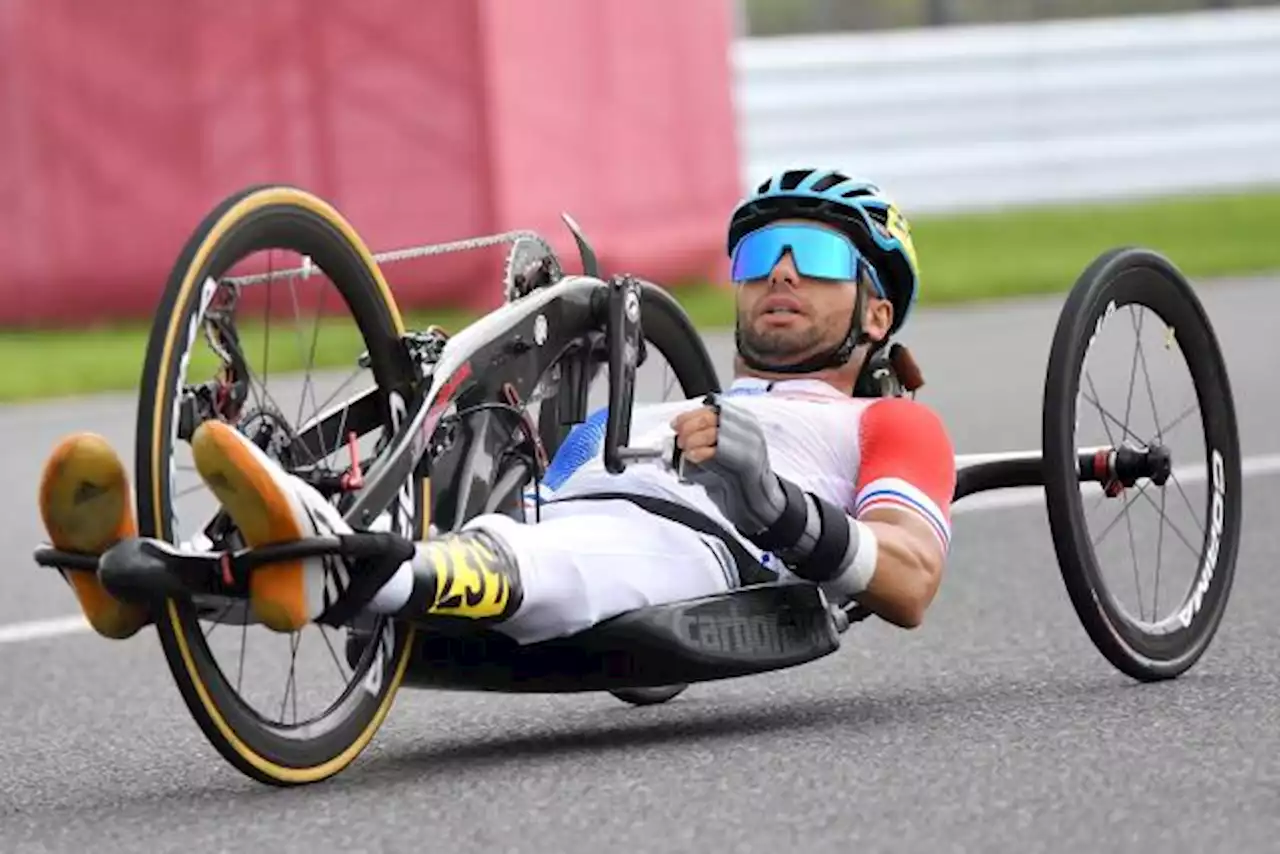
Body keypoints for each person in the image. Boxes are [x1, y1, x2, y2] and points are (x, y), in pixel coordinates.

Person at [36, 168, 957, 645]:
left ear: (877, 312)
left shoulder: (887, 424)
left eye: (818, 257)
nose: (782, 273)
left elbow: (910, 579)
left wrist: (772, 501)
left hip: (688, 549)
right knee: (431, 500)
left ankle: (320, 555)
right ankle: (145, 575)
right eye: (760, 258)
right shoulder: (688, 404)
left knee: (533, 553)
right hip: (552, 512)